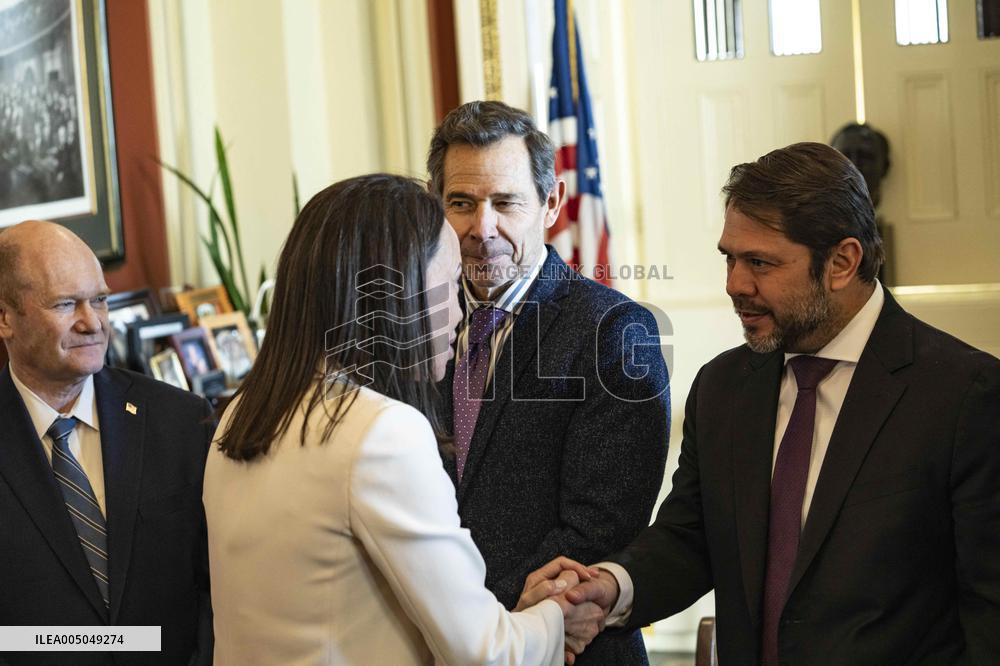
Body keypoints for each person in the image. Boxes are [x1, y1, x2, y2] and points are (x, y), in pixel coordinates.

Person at [555, 142, 1000, 664]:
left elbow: (989, 609)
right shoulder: (722, 388)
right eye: (730, 258)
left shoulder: (964, 395)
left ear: (842, 262)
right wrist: (611, 586)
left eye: (760, 263)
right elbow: (692, 537)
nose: (734, 285)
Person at [202, 174, 604, 665]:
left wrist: (511, 616)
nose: (459, 310)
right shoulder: (380, 433)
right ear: (397, 293)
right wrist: (557, 620)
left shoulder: (240, 414)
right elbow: (486, 654)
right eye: (448, 282)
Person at [426, 100, 670, 664]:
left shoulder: (615, 331)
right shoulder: (416, 331)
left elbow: (600, 525)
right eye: (461, 203)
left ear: (551, 203)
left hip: (565, 644)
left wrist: (489, 623)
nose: (481, 228)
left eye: (505, 203)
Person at [0, 221, 213, 665]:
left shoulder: (181, 421)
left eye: (100, 300)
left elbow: (216, 587)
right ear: (6, 319)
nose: (91, 322)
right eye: (65, 304)